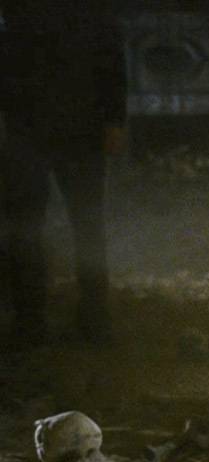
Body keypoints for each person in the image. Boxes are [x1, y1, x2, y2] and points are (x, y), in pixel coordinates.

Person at [0, 0, 126, 348]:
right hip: (52, 125)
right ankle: (65, 320)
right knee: (53, 226)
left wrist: (114, 119)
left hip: (49, 124)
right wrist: (114, 118)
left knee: (45, 226)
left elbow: (110, 52)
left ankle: (50, 321)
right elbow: (110, 52)